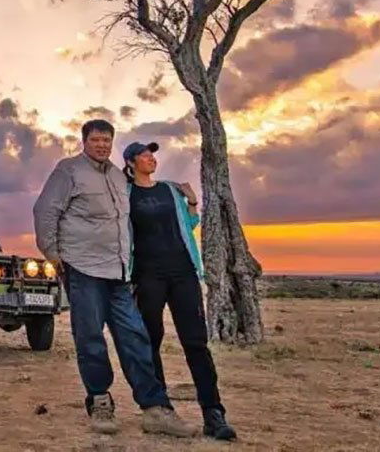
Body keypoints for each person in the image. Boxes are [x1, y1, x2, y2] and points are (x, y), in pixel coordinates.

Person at [32, 119, 196, 438]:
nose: (102, 145)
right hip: (83, 268)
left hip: (118, 271)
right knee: (91, 337)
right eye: (96, 140)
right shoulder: (68, 171)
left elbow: (140, 200)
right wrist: (52, 253)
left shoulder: (119, 178)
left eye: (107, 140)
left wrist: (178, 193)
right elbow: (45, 211)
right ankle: (100, 401)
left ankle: (155, 409)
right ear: (84, 141)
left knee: (135, 336)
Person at [122, 140, 238, 441]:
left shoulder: (170, 190)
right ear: (131, 163)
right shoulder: (125, 195)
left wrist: (192, 203)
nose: (151, 158)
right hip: (147, 276)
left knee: (196, 342)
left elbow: (189, 225)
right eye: (144, 155)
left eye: (152, 154)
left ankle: (213, 413)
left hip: (183, 272)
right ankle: (161, 408)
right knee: (150, 341)